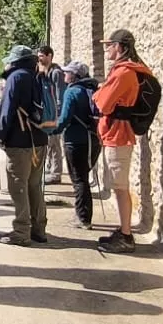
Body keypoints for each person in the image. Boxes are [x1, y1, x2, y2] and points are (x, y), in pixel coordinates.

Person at [92, 29, 155, 254]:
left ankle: (126, 235)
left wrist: (98, 94)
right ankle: (123, 230)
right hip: (117, 133)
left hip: (118, 134)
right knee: (119, 186)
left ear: (119, 46)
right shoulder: (128, 70)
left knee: (119, 187)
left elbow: (103, 104)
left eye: (109, 45)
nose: (106, 49)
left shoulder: (123, 73)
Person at [0, 44, 48, 246]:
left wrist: (0, 135)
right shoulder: (39, 75)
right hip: (40, 139)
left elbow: (6, 111)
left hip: (20, 141)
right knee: (34, 185)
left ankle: (21, 232)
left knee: (18, 186)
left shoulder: (15, 78)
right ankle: (39, 229)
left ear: (15, 61)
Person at [50, 61, 99, 229]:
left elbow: (64, 119)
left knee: (79, 180)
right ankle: (84, 215)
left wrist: (50, 131)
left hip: (75, 141)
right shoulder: (93, 89)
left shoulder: (72, 92)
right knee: (83, 178)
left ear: (75, 75)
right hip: (93, 140)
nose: (64, 75)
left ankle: (83, 218)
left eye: (67, 72)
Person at [37, 46, 66, 185]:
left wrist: (58, 116)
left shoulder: (56, 73)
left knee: (54, 143)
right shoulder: (46, 71)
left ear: (50, 56)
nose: (39, 58)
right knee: (49, 143)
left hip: (54, 114)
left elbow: (60, 94)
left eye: (42, 56)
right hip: (48, 113)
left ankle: (56, 173)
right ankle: (50, 170)